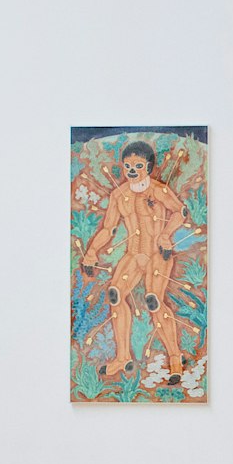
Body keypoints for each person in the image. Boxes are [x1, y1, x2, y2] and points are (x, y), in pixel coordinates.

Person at [78, 140, 190, 382]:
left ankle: (174, 359)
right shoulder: (119, 195)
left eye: (137, 165)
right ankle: (122, 357)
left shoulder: (158, 191)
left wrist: (165, 235)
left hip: (156, 256)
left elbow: (180, 212)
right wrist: (91, 251)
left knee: (154, 302)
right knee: (115, 294)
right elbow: (108, 229)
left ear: (148, 167)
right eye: (127, 165)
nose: (131, 170)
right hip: (132, 256)